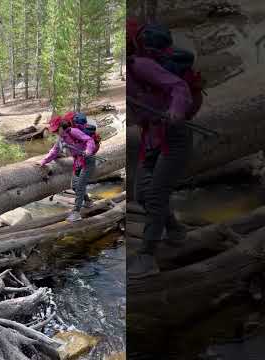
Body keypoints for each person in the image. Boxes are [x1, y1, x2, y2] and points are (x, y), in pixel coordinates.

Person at [127, 18, 194, 278]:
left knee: (155, 195)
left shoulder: (140, 66)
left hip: (173, 135)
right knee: (142, 194)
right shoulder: (131, 71)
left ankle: (147, 256)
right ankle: (175, 230)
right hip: (151, 138)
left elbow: (180, 87)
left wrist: (176, 111)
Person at [37, 115, 97, 223]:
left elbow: (89, 140)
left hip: (88, 161)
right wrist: (43, 161)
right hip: (78, 162)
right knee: (74, 186)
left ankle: (76, 213)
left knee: (80, 185)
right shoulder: (61, 139)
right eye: (53, 131)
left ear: (61, 126)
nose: (55, 132)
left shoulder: (74, 132)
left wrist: (88, 150)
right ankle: (88, 202)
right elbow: (54, 152)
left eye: (56, 130)